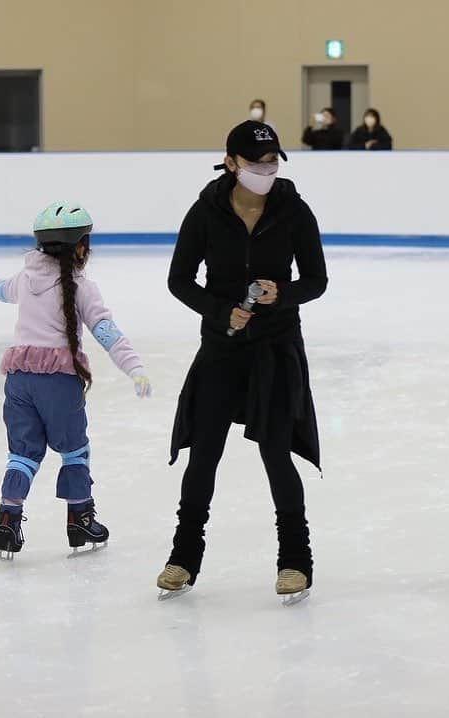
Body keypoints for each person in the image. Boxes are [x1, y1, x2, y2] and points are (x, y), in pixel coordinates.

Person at [158, 120, 328, 603]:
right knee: (204, 453)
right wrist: (218, 308)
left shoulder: (294, 211)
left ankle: (296, 561)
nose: (266, 170)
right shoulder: (206, 212)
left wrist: (283, 295)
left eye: (273, 162)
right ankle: (183, 557)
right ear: (231, 162)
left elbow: (316, 280)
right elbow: (180, 280)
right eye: (256, 163)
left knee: (276, 451)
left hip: (275, 349)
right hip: (221, 347)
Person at [0, 201, 152, 560]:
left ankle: (7, 520)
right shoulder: (83, 286)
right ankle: (80, 519)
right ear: (80, 246)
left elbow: (4, 288)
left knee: (21, 453)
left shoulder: (26, 279)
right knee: (73, 450)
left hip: (19, 378)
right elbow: (106, 332)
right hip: (58, 381)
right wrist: (134, 368)